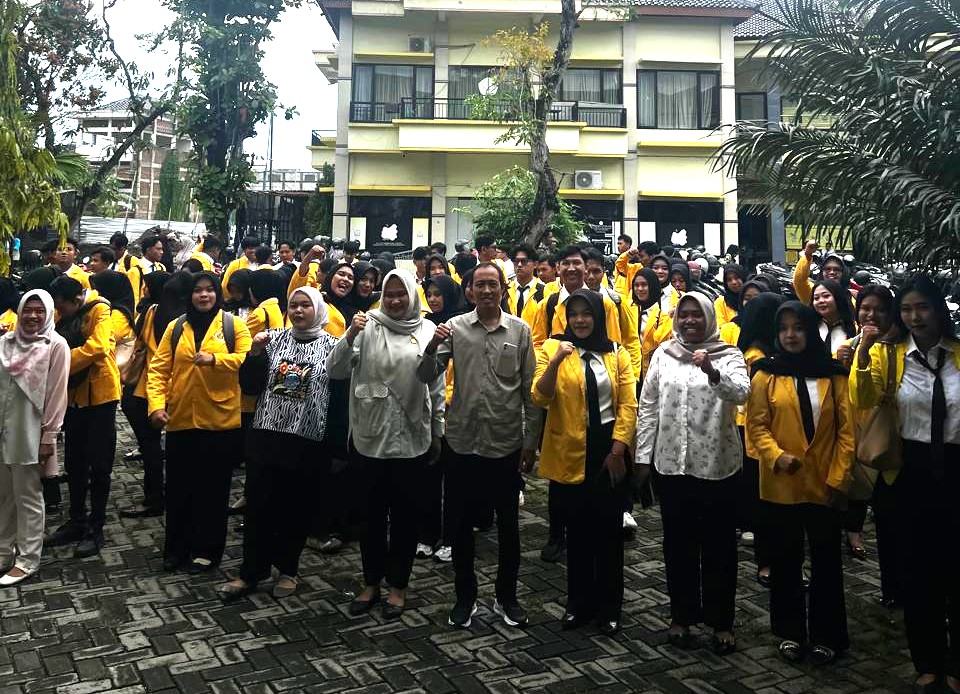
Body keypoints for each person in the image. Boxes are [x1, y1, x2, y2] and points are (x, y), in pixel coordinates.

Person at [850, 277, 960, 693]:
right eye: (908, 309)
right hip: (908, 472)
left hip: (955, 470)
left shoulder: (957, 353)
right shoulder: (890, 354)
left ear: (938, 310)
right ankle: (927, 661)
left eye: (923, 307)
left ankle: (956, 663)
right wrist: (863, 352)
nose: (915, 317)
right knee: (917, 572)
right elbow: (863, 397)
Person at [417, 262, 540, 629]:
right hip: (462, 442)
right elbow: (424, 375)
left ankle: (507, 597)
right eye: (479, 285)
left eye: (493, 284)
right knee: (461, 527)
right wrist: (432, 345)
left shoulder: (520, 331)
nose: (486, 291)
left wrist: (530, 442)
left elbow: (530, 393)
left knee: (508, 527)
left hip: (505, 443)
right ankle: (464, 597)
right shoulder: (454, 328)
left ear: (503, 289)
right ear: (470, 290)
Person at [636, 293, 749, 653]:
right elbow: (648, 405)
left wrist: (712, 372)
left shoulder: (729, 355)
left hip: (717, 467)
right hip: (672, 466)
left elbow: (742, 394)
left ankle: (721, 622)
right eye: (683, 315)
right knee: (678, 545)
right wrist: (642, 457)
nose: (689, 321)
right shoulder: (663, 354)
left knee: (719, 548)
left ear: (709, 318)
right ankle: (681, 616)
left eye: (696, 315)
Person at [328, 269, 444, 619]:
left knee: (406, 517)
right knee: (370, 517)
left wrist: (438, 430)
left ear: (412, 295)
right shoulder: (366, 326)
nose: (394, 301)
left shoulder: (428, 330)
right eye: (388, 294)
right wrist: (350, 334)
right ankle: (370, 582)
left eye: (401, 294)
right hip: (370, 436)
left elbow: (435, 387)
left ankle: (398, 586)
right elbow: (335, 370)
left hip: (411, 437)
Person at [217, 287, 341, 601]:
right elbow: (250, 386)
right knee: (258, 508)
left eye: (305, 305)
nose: (298, 311)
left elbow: (340, 399)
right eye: (293, 305)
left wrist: (337, 446)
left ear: (318, 309)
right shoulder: (272, 340)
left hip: (307, 441)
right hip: (267, 436)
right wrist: (256, 354)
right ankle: (251, 572)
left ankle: (288, 570)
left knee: (295, 510)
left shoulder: (334, 347)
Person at [747, 302, 854, 665]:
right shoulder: (766, 374)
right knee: (785, 560)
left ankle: (828, 634)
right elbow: (756, 425)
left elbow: (847, 433)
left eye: (798, 328)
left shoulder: (834, 375)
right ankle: (790, 631)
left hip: (826, 484)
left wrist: (839, 477)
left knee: (827, 562)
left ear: (810, 331)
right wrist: (775, 455)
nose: (790, 335)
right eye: (783, 329)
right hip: (782, 483)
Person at [533, 290, 637, 635]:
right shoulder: (552, 347)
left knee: (608, 533)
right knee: (576, 533)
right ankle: (578, 605)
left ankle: (610, 608)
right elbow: (539, 396)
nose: (580, 320)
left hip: (608, 449)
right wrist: (556, 362)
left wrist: (618, 449)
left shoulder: (616, 353)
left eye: (587, 313)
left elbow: (628, 405)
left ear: (599, 316)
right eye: (574, 313)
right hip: (570, 449)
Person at [146, 272, 252, 573]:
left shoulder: (234, 326)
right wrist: (156, 406)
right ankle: (176, 548)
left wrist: (216, 360)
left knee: (212, 491)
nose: (203, 295)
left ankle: (207, 550)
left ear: (218, 294)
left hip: (219, 423)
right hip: (180, 420)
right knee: (178, 489)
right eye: (197, 291)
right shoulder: (176, 327)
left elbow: (247, 359)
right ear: (189, 296)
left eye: (209, 290)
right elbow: (158, 370)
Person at [44, 276, 120, 558]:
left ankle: (95, 528)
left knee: (99, 465)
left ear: (76, 300)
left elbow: (98, 348)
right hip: (73, 396)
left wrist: (58, 363)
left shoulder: (100, 309)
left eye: (62, 307)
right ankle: (76, 520)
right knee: (74, 462)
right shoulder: (63, 313)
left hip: (101, 397)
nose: (59, 312)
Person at [0, 290, 69, 586]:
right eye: (27, 310)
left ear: (49, 313)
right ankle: (3, 552)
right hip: (2, 428)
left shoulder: (56, 345)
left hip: (30, 431)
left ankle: (28, 559)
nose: (32, 316)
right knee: (4, 495)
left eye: (40, 311)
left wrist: (48, 436)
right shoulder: (5, 342)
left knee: (27, 495)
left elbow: (57, 395)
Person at [835, 285, 895, 562]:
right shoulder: (848, 346)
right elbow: (842, 387)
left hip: (885, 425)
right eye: (865, 309)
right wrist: (842, 363)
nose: (871, 315)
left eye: (879, 309)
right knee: (856, 482)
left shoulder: (899, 347)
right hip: (853, 423)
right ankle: (852, 531)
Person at [117, 271, 181, 519]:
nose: (143, 290)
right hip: (176, 389)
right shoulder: (187, 320)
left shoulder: (151, 313)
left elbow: (140, 343)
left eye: (146, 286)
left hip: (147, 387)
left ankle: (154, 498)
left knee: (150, 446)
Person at [731, 292, 784, 586]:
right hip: (754, 431)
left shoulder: (762, 349)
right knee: (760, 494)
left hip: (757, 430)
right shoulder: (756, 355)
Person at [418, 275, 467, 562]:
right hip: (428, 409)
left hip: (456, 410)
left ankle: (451, 538)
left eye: (438, 294)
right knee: (429, 477)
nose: (434, 299)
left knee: (455, 480)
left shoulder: (460, 325)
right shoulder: (424, 325)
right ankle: (427, 533)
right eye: (430, 294)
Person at [626, 268, 673, 385]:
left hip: (651, 374)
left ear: (652, 286)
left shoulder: (662, 318)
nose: (639, 289)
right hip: (628, 372)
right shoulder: (627, 310)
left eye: (644, 285)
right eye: (636, 285)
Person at [793, 240, 855, 305]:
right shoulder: (813, 293)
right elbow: (799, 281)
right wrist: (807, 255)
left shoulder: (852, 299)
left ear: (843, 273)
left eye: (837, 269)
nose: (832, 272)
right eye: (827, 269)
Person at [811, 280, 858, 356]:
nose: (821, 301)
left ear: (838, 298)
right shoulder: (809, 326)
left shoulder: (855, 328)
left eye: (826, 296)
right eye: (816, 298)